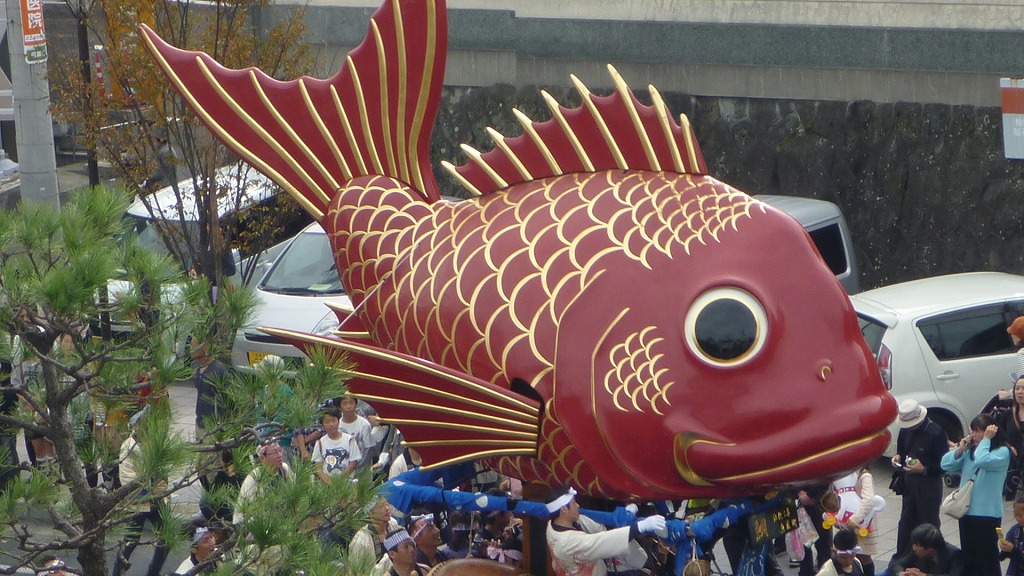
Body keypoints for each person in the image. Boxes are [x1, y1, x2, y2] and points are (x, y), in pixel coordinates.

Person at [941, 413, 1010, 576]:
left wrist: (986, 440)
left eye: (978, 431)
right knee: (969, 558)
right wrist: (961, 449)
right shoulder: (971, 451)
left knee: (987, 559)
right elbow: (945, 464)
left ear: (991, 431)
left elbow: (982, 460)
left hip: (987, 514)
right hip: (967, 512)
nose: (974, 435)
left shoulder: (1002, 452)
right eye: (972, 431)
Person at [545, 485, 665, 576]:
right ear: (564, 510)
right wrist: (641, 526)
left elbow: (597, 528)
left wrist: (624, 516)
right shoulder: (568, 542)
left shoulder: (552, 524)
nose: (577, 505)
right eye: (573, 503)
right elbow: (604, 541)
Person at [113, 410, 169, 576]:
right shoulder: (128, 447)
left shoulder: (154, 443)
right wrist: (148, 489)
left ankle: (154, 572)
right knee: (131, 539)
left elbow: (163, 469)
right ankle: (117, 572)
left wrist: (161, 485)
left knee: (167, 536)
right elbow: (128, 478)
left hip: (156, 497)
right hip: (137, 499)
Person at [890, 399, 948, 561]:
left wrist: (924, 469)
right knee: (906, 524)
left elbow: (944, 465)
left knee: (929, 524)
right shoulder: (905, 431)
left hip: (929, 485)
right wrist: (898, 457)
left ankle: (933, 560)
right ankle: (902, 559)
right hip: (909, 484)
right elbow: (901, 449)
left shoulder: (936, 433)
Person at [835, 467, 881, 576]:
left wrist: (855, 520)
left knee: (863, 555)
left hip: (862, 522)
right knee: (846, 556)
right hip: (844, 521)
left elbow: (869, 500)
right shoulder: (841, 471)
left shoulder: (864, 475)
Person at [233, 440, 292, 525]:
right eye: (274, 453)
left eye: (280, 450)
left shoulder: (284, 469)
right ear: (262, 458)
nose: (279, 455)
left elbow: (293, 492)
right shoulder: (254, 477)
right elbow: (245, 511)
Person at [300, 406, 360, 482]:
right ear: (322, 425)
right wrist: (326, 481)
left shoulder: (350, 440)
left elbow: (353, 462)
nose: (331, 424)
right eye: (327, 422)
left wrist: (340, 480)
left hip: (346, 482)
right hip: (326, 484)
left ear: (338, 421)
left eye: (334, 421)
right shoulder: (320, 443)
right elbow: (317, 465)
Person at [888, 523, 964, 576]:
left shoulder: (953, 554)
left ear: (930, 548)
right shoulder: (916, 552)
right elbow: (897, 564)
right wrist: (901, 573)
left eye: (918, 545)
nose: (914, 548)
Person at [191, 338, 230, 435]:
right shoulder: (196, 366)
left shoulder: (219, 371)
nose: (190, 348)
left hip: (214, 425)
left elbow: (229, 400)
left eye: (193, 345)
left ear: (204, 347)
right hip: (200, 421)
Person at [351, 497, 400, 569]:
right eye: (381, 506)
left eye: (387, 504)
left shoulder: (393, 523)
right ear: (370, 513)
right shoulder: (360, 541)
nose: (387, 508)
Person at [999, 496, 1024, 576]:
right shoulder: (1014, 531)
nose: (1018, 519)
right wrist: (1004, 548)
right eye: (1016, 515)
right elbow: (1002, 557)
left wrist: (1013, 550)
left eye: (1020, 516)